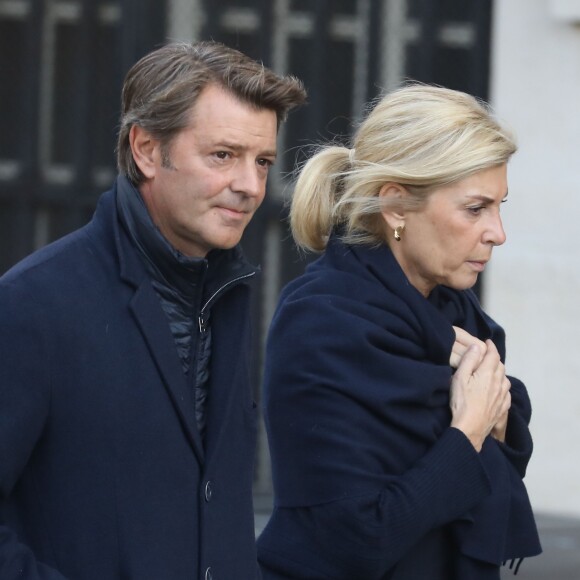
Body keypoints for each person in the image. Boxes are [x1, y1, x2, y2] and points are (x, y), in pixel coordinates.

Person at [0, 41, 305, 579]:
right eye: (223, 155)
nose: (251, 186)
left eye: (262, 162)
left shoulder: (229, 292)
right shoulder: (32, 304)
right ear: (145, 149)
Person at [257, 85, 542, 579]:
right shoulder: (322, 324)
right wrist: (470, 429)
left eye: (500, 206)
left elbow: (498, 458)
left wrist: (493, 421)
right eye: (475, 209)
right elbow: (359, 539)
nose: (497, 232)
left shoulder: (454, 314)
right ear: (395, 206)